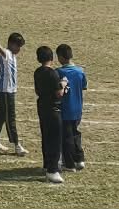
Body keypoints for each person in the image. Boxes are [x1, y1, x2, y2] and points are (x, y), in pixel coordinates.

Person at [33, 45, 66, 183]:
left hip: (42, 107)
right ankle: (52, 170)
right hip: (53, 109)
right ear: (51, 58)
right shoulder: (53, 74)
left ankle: (47, 164)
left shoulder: (37, 72)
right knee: (55, 139)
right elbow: (59, 93)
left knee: (46, 137)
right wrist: (63, 84)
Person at [0, 32, 25, 155]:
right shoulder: (7, 53)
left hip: (8, 91)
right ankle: (17, 145)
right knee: (10, 118)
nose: (19, 49)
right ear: (11, 44)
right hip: (6, 92)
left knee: (0, 116)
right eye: (18, 46)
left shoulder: (12, 56)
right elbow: (3, 52)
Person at [56, 43, 87, 172]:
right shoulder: (80, 71)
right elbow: (84, 86)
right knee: (75, 134)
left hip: (65, 109)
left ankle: (69, 163)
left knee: (66, 137)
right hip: (78, 108)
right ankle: (79, 159)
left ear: (61, 57)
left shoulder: (59, 72)